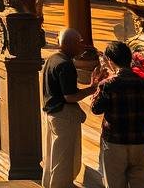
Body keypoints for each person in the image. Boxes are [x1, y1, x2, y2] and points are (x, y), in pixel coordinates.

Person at [90, 40, 144, 188]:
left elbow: (95, 109)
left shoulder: (107, 85)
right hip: (140, 142)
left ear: (110, 60)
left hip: (115, 142)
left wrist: (97, 85)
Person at [41, 28, 104, 188]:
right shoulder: (65, 64)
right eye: (79, 43)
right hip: (63, 116)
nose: (81, 46)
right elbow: (70, 97)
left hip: (51, 113)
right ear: (68, 44)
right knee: (63, 159)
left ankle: (49, 184)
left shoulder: (52, 58)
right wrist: (92, 88)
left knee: (52, 155)